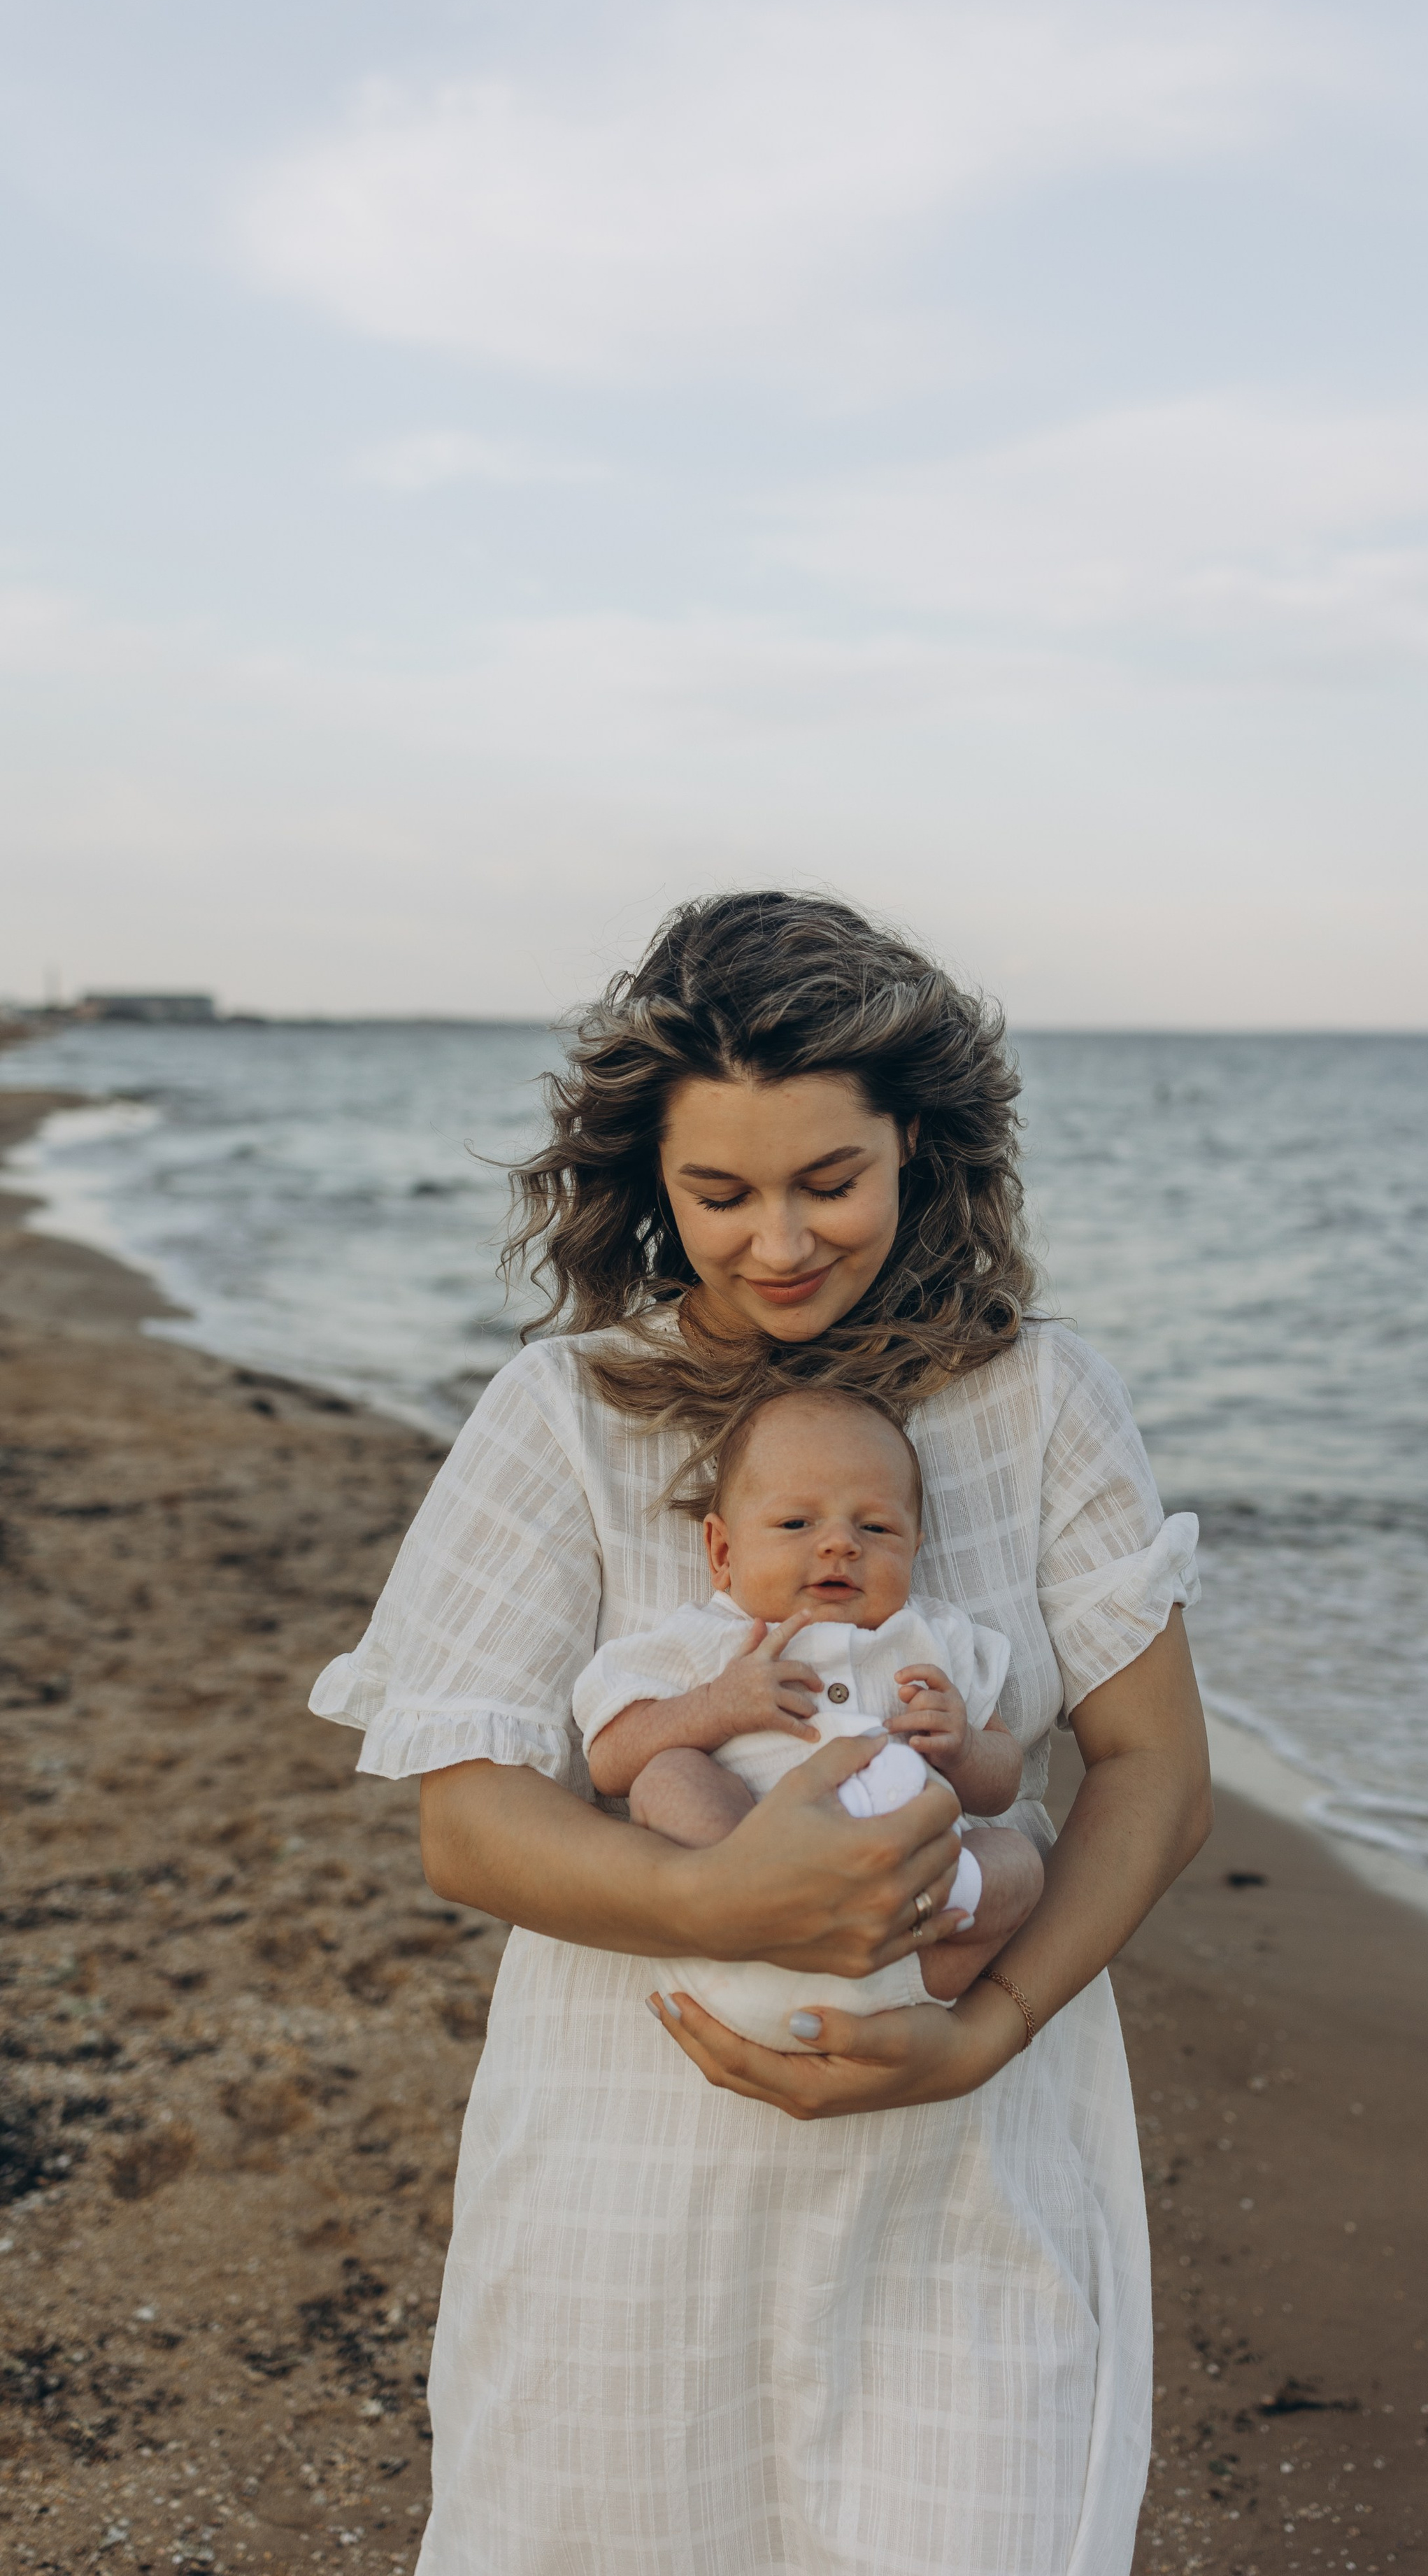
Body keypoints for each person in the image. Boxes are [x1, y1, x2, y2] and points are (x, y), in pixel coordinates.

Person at [308, 890, 1213, 2576]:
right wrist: (713, 1898)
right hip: (632, 2157)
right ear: (648, 1180)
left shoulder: (1041, 1399)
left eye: (827, 1180)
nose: (778, 1242)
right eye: (720, 1192)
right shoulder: (565, 1413)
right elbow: (469, 1823)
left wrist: (989, 2027)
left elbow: (1154, 1769)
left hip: (968, 2149)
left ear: (917, 1146)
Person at [575, 1383, 1048, 2044]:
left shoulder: (933, 1639)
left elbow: (1001, 1786)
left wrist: (965, 1747)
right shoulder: (713, 1639)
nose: (840, 1545)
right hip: (740, 1942)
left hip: (905, 1955)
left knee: (1018, 1860)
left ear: (914, 1548)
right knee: (669, 1775)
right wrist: (716, 1707)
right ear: (722, 1553)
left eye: (875, 1528)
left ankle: (934, 1983)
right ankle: (755, 1898)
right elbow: (610, 1761)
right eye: (797, 1524)